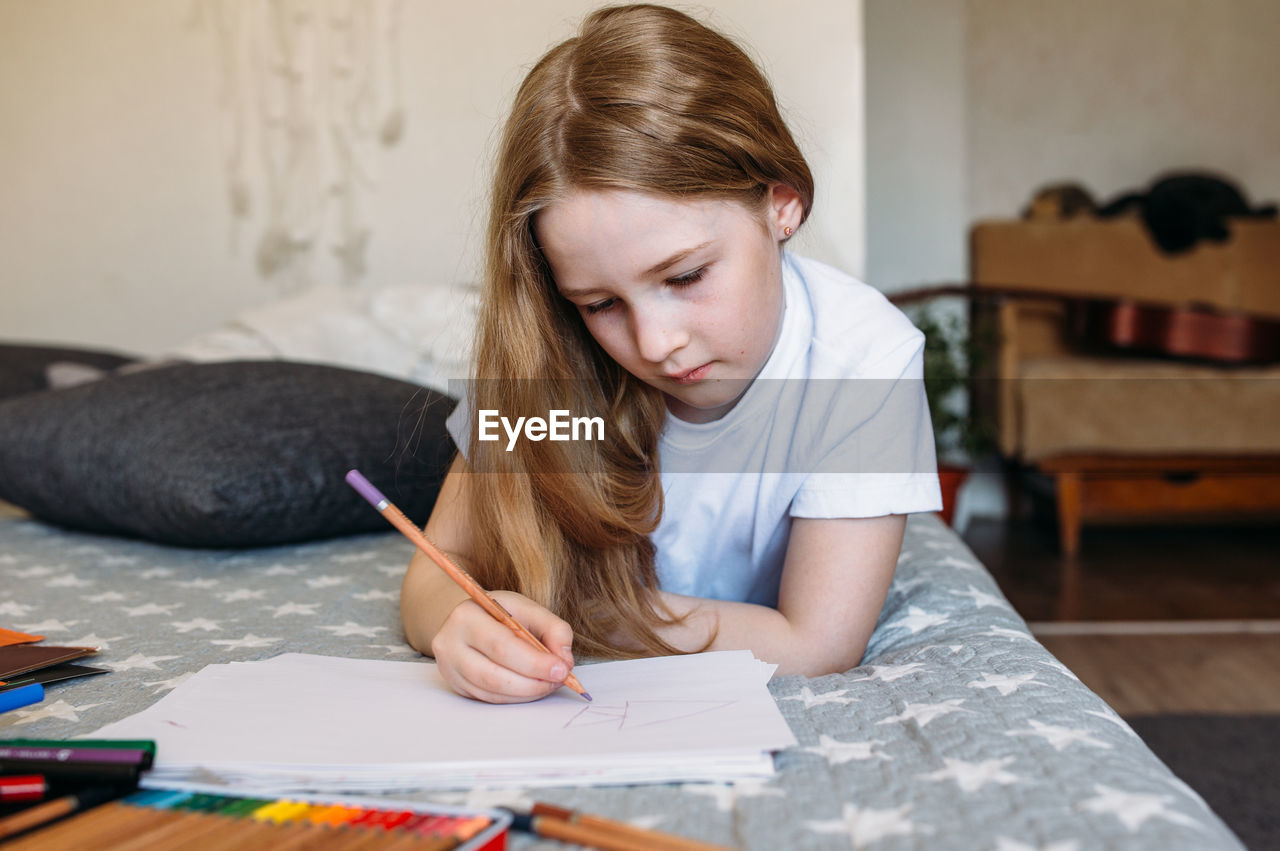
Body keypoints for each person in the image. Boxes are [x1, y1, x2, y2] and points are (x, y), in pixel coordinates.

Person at [401, 3, 941, 704]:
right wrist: (463, 620)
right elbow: (431, 579)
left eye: (684, 277)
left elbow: (819, 643)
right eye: (599, 304)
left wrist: (582, 614)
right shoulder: (548, 360)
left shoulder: (864, 363)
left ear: (782, 203)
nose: (655, 345)